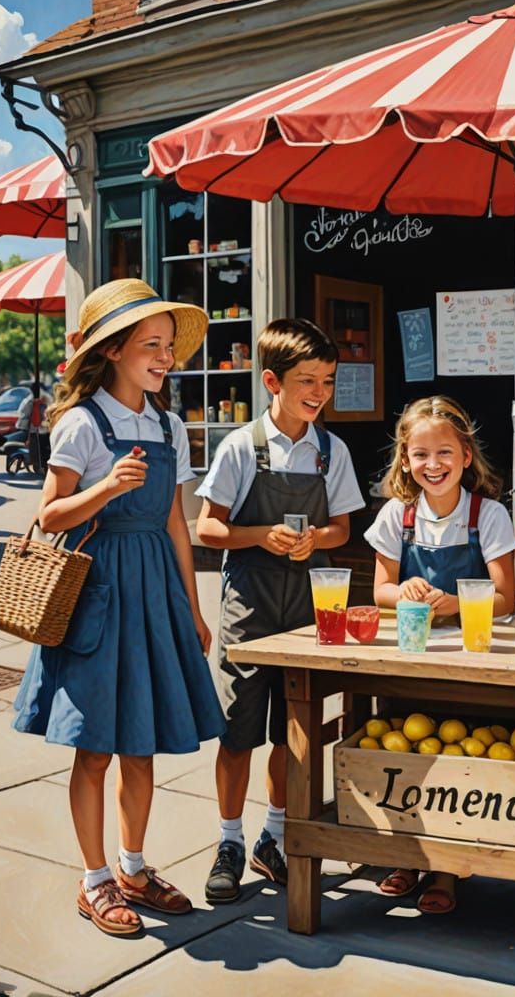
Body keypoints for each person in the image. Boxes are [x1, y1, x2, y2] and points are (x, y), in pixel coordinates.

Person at [11, 278, 228, 937]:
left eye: (168, 346)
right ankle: (95, 878)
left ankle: (134, 868)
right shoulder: (80, 422)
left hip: (156, 591)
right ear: (112, 351)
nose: (165, 358)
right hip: (97, 593)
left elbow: (176, 526)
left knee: (143, 744)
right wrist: (105, 487)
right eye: (151, 346)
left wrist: (193, 609)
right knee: (95, 747)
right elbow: (49, 516)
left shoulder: (168, 425)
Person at [195, 318, 364, 904]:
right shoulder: (241, 446)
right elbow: (207, 527)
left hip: (307, 606)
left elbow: (343, 527)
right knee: (238, 731)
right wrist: (261, 535)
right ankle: (228, 843)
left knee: (294, 733)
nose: (319, 392)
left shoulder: (330, 452)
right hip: (249, 605)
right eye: (306, 381)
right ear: (272, 381)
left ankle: (275, 836)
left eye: (328, 381)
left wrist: (316, 540)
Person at [365, 395, 515, 914]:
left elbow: (505, 599)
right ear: (404, 460)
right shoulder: (396, 515)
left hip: (471, 660)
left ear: (466, 456)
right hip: (410, 660)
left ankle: (448, 870)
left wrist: (455, 602)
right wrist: (404, 590)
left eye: (445, 453)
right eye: (421, 454)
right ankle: (405, 855)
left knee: (458, 762)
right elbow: (379, 590)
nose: (434, 465)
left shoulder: (489, 515)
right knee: (405, 761)